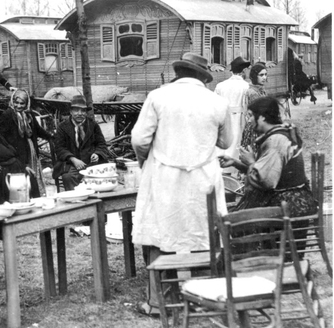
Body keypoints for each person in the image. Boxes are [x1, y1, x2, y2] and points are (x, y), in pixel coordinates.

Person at [130, 52, 233, 315]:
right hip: (204, 181)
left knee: (159, 233)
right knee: (204, 234)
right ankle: (203, 298)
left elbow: (140, 139)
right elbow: (225, 142)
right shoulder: (217, 102)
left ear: (180, 73)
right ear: (203, 77)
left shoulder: (158, 97)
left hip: (164, 177)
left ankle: (159, 303)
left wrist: (147, 161)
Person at [219, 96, 317, 218]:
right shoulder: (278, 135)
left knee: (235, 220)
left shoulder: (275, 140)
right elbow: (265, 171)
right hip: (293, 200)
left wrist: (250, 162)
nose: (249, 121)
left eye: (250, 116)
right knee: (234, 213)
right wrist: (235, 162)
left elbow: (267, 181)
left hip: (290, 206)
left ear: (262, 117)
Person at [0, 89, 54, 197]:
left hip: (30, 148)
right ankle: (22, 197)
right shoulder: (7, 115)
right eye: (16, 103)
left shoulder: (29, 115)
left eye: (22, 103)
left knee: (33, 173)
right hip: (15, 150)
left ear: (26, 103)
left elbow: (38, 130)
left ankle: (35, 196)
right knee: (20, 175)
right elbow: (2, 135)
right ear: (12, 102)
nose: (18, 106)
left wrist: (50, 137)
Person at [52, 95, 110, 190]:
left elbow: (102, 144)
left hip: (92, 163)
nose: (80, 114)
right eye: (76, 110)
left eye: (83, 111)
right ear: (71, 112)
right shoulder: (62, 127)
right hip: (71, 163)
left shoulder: (93, 125)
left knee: (102, 175)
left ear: (86, 112)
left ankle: (96, 199)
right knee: (68, 177)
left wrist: (97, 154)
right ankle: (77, 201)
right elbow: (59, 148)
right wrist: (73, 159)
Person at [214, 56, 250, 176]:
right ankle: (233, 173)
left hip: (224, 117)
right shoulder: (246, 86)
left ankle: (222, 171)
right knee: (236, 143)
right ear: (243, 71)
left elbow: (215, 104)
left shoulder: (220, 85)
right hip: (239, 118)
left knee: (224, 144)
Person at [241, 62, 268, 152]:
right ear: (254, 76)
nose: (264, 77)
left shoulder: (261, 90)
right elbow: (260, 112)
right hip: (256, 127)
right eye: (261, 75)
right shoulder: (252, 92)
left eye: (265, 74)